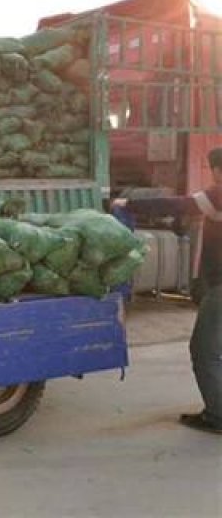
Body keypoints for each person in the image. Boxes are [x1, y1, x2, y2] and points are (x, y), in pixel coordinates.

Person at [112, 147, 222, 434]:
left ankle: (218, 417)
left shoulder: (219, 194)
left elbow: (179, 205)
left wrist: (129, 204)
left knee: (204, 350)